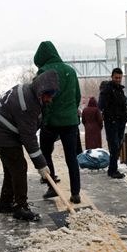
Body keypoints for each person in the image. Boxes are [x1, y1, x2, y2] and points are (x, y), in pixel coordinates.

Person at [0, 70, 59, 221]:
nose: (50, 99)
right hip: (0, 133)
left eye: (52, 95)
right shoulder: (27, 104)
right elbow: (29, 138)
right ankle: (20, 207)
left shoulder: (31, 93)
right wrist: (41, 165)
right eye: (48, 95)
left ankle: (6, 203)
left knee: (11, 169)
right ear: (41, 90)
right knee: (19, 167)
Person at [34, 41, 82, 204]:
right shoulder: (70, 71)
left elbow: (43, 99)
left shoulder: (44, 71)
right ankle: (75, 193)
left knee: (46, 153)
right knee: (71, 158)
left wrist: (45, 119)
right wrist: (70, 112)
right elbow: (77, 97)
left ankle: (52, 187)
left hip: (51, 121)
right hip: (70, 122)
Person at [99, 67, 127, 179]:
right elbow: (101, 105)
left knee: (118, 145)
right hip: (112, 123)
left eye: (120, 78)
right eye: (116, 77)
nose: (118, 79)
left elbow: (125, 101)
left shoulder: (120, 89)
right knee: (114, 146)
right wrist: (110, 111)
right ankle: (112, 171)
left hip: (121, 122)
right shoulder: (107, 89)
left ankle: (113, 169)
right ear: (112, 77)